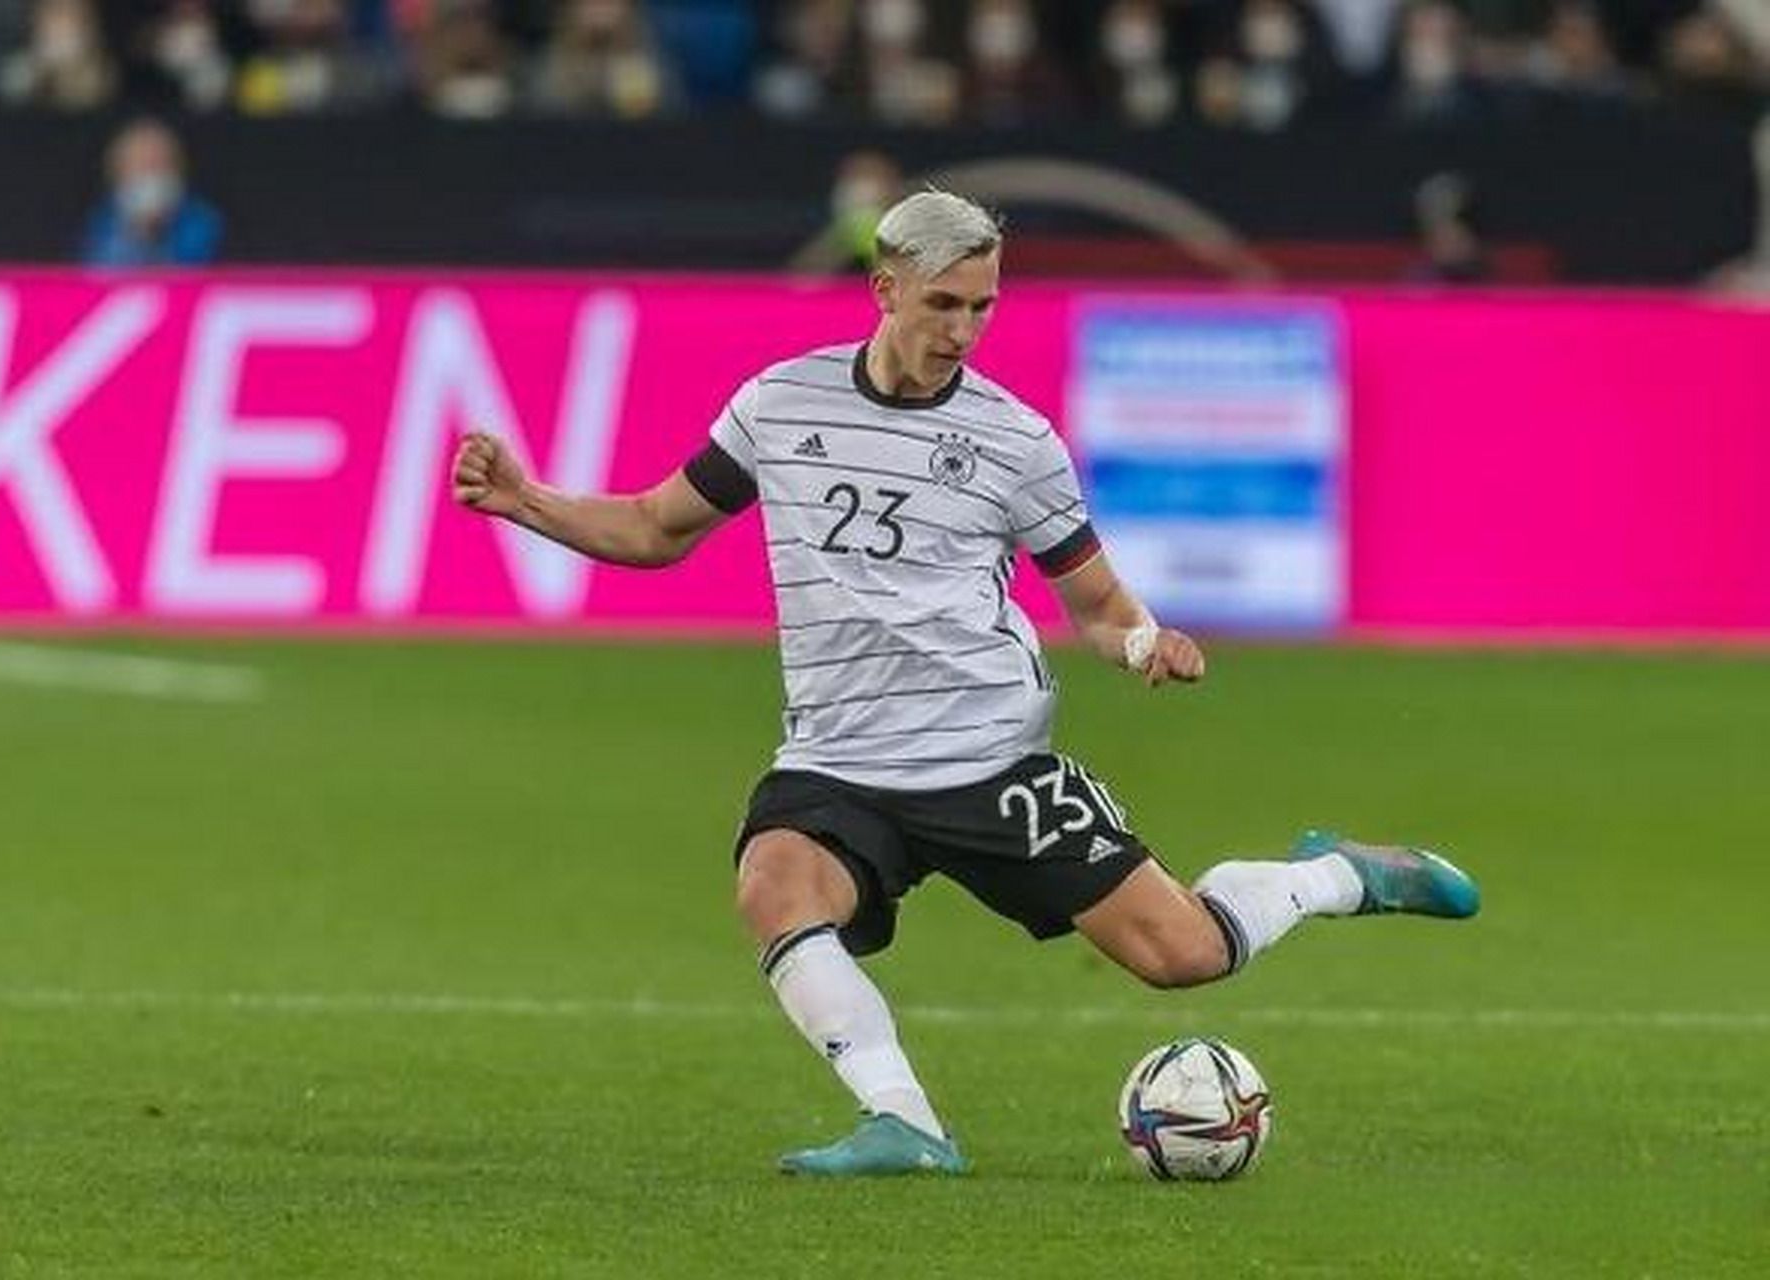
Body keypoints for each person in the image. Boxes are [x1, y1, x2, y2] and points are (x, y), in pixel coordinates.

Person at [449, 191, 1481, 1178]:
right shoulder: (778, 405)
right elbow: (654, 527)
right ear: (884, 288)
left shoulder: (1013, 441)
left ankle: (1332, 876)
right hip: (838, 761)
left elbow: (1096, 602)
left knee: (1183, 955)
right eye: (943, 303)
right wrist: (526, 500)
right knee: (774, 884)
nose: (963, 329)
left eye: (982, 306)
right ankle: (902, 1121)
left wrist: (1141, 644)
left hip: (989, 760)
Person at [79, 118, 223, 269]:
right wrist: (136, 233)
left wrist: (159, 232)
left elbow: (198, 267)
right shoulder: (101, 222)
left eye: (159, 163)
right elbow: (97, 269)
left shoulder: (203, 220)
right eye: (142, 164)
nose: (151, 174)